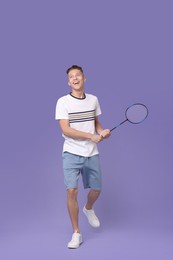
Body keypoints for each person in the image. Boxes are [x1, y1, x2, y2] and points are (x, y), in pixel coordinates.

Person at [55, 65, 111, 249]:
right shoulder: (62, 102)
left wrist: (102, 132)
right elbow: (66, 129)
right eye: (71, 77)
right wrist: (91, 136)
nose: (75, 78)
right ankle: (76, 233)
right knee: (72, 190)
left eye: (77, 75)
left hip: (91, 152)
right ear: (68, 81)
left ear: (84, 78)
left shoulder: (93, 100)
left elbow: (96, 123)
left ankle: (88, 208)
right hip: (71, 151)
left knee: (96, 189)